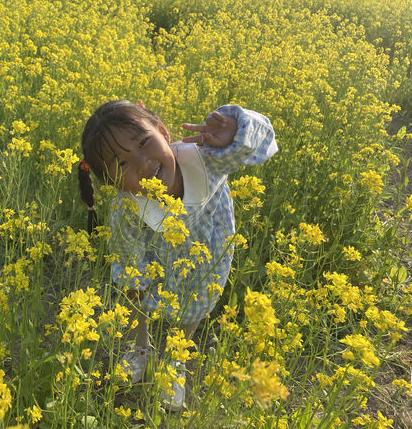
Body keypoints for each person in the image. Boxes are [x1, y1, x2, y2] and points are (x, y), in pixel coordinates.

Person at [77, 100, 277, 410]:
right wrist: (136, 285)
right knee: (135, 295)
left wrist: (237, 128)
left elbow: (258, 143)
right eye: (123, 164)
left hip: (209, 251)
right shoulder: (126, 206)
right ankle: (141, 348)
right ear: (113, 184)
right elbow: (128, 257)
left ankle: (176, 358)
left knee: (197, 304)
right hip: (156, 258)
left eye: (144, 143)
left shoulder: (204, 158)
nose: (144, 162)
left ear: (162, 130)